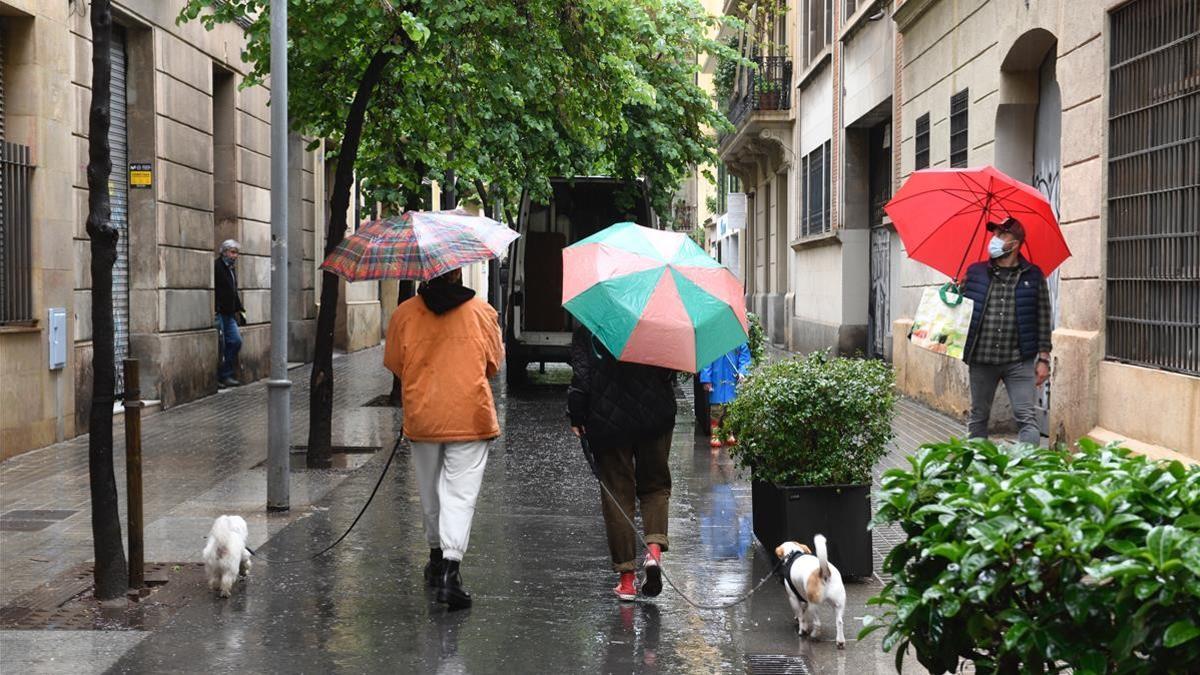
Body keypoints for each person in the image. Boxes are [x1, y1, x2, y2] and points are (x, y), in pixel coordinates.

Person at [384, 268, 503, 610]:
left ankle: (435, 559)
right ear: (457, 275)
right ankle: (451, 571)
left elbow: (395, 363)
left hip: (423, 416)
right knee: (459, 495)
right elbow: (493, 364)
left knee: (429, 490)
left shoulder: (404, 313)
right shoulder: (482, 311)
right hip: (470, 415)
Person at [567, 326, 677, 601]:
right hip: (655, 416)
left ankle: (627, 581)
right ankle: (653, 552)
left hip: (607, 422)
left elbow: (581, 378)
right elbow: (669, 370)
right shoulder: (657, 321)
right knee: (655, 485)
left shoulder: (590, 325)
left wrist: (577, 416)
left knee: (617, 492)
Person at [961, 217, 1052, 445]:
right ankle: (976, 471)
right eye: (995, 235)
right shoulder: (975, 272)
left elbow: (1043, 317)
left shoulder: (1033, 275)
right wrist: (953, 292)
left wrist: (1043, 359)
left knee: (1026, 418)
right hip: (981, 358)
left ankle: (1024, 473)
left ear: (1015, 243)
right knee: (978, 417)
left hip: (1018, 360)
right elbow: (959, 311)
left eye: (1002, 235)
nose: (995, 240)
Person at [698, 342, 752, 448]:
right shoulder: (713, 341)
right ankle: (715, 434)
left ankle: (729, 433)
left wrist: (743, 372)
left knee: (731, 410)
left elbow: (744, 358)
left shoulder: (739, 340)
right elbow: (707, 362)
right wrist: (706, 379)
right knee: (716, 411)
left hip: (732, 379)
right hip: (716, 380)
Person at [213, 239, 246, 388]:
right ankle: (220, 377)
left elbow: (233, 291)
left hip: (230, 313)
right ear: (224, 252)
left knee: (236, 341)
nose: (235, 256)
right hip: (220, 313)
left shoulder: (231, 269)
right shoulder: (217, 267)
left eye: (236, 253)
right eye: (233, 252)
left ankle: (225, 373)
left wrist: (239, 309)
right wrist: (216, 308)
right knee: (221, 345)